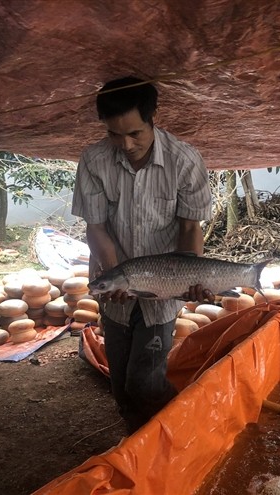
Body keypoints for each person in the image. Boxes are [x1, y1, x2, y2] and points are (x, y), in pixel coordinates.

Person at [71, 76, 213, 433]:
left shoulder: (185, 161)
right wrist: (115, 276)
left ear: (152, 119)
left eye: (135, 133)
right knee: (120, 384)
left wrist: (192, 278)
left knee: (145, 382)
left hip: (163, 293)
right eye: (115, 134)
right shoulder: (94, 160)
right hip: (112, 283)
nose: (126, 144)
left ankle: (178, 432)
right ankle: (136, 441)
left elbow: (189, 229)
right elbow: (97, 227)